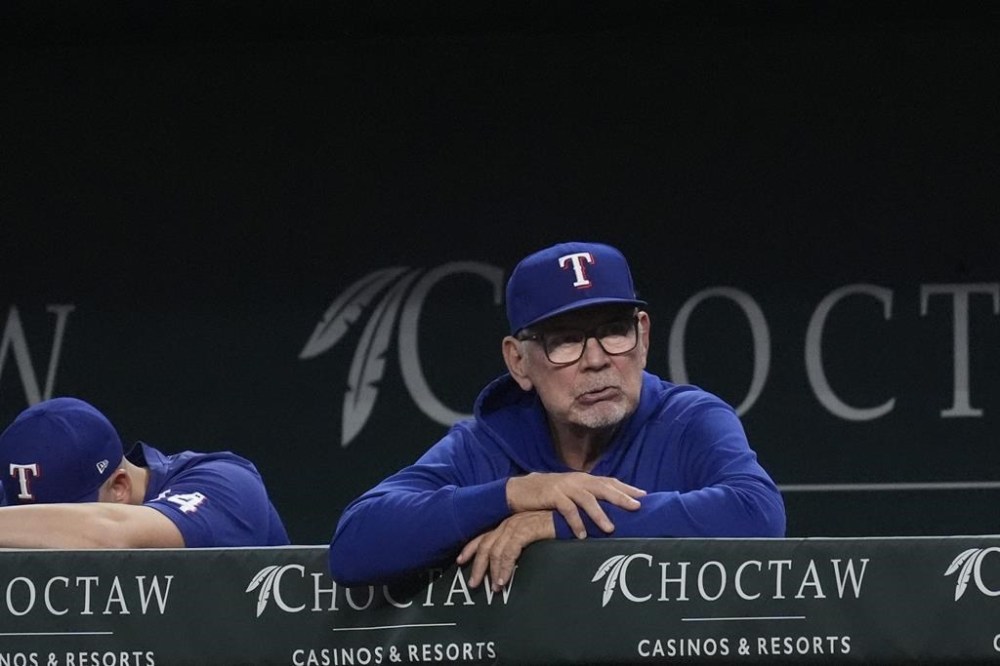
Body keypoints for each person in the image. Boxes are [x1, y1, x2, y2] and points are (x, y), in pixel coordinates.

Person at [328, 241, 785, 589]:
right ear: (519, 362)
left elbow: (758, 515)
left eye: (614, 331)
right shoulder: (488, 444)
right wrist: (515, 494)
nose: (597, 359)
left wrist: (559, 522)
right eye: (565, 340)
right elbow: (354, 547)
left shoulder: (688, 419)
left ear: (643, 337)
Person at [0, 396, 289, 548]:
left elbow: (111, 534)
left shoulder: (224, 482)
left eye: (62, 517)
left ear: (119, 487)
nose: (41, 536)